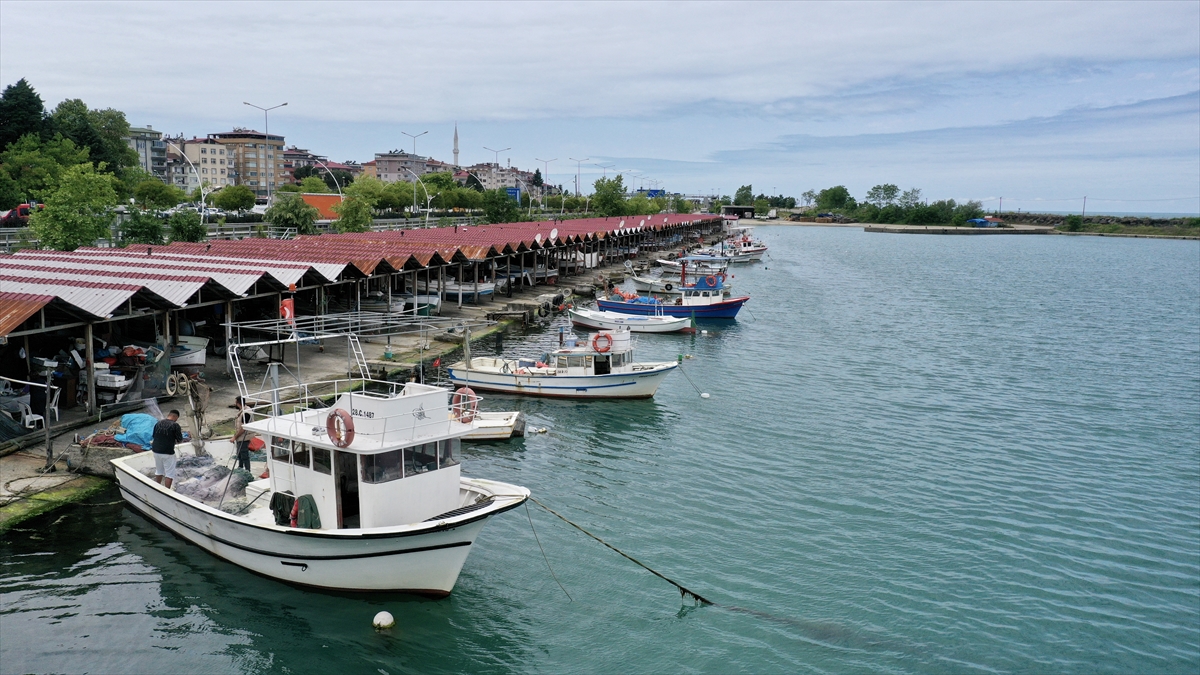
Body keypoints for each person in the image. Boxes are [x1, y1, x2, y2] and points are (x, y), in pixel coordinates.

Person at [151, 410, 184, 489]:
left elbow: (154, 435)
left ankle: (157, 487)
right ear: (175, 417)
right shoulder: (175, 425)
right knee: (169, 473)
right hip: (167, 453)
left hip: (156, 451)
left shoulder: (158, 423)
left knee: (159, 471)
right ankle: (166, 491)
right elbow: (179, 440)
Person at [233, 396, 253, 472]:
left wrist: (234, 437)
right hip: (240, 436)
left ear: (238, 403)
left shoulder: (246, 413)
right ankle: (240, 467)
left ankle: (248, 470)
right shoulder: (243, 411)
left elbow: (243, 428)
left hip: (245, 437)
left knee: (244, 454)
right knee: (239, 453)